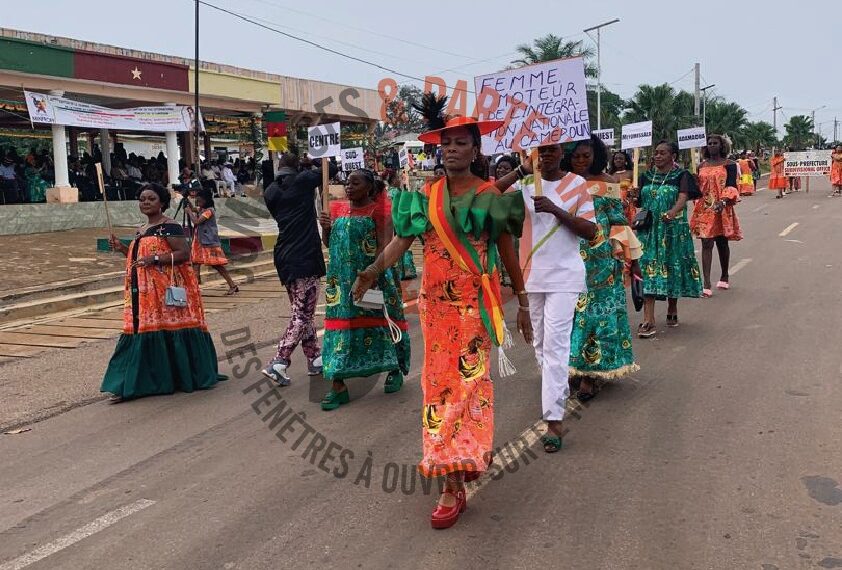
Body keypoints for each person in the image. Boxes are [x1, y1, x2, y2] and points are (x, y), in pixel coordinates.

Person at [352, 94, 530, 529]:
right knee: (438, 391)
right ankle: (451, 476)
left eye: (460, 142)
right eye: (445, 143)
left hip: (473, 309)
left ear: (475, 149)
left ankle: (457, 472)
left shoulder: (492, 196)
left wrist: (523, 303)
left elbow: (507, 250)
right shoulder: (424, 197)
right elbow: (401, 241)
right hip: (435, 311)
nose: (451, 149)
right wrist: (372, 271)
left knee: (469, 389)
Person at [494, 141, 597, 451]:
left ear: (561, 153)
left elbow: (591, 231)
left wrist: (555, 209)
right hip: (530, 276)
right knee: (539, 342)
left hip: (565, 276)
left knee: (555, 343)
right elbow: (486, 197)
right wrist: (520, 171)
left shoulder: (576, 184)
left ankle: (554, 420)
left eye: (550, 150)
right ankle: (557, 383)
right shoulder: (524, 184)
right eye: (538, 151)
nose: (545, 156)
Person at [102, 183, 223, 402]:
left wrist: (155, 258)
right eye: (142, 199)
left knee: (164, 330)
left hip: (163, 292)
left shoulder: (170, 226)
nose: (145, 202)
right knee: (140, 330)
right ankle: (133, 381)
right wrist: (121, 247)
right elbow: (138, 258)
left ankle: (163, 379)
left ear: (162, 203)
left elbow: (184, 253)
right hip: (143, 292)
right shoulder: (142, 229)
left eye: (151, 199)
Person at [317, 169, 410, 410]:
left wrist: (373, 275)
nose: (348, 187)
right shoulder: (337, 210)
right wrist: (325, 228)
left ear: (369, 187)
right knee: (340, 327)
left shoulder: (379, 212)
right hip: (340, 284)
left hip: (370, 278)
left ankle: (394, 369)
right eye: (347, 183)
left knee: (379, 323)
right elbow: (331, 245)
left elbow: (385, 245)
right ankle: (338, 385)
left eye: (355, 183)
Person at [565, 136, 642, 402]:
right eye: (575, 156)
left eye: (586, 156)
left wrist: (630, 259)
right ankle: (572, 366)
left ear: (596, 155)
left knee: (598, 317)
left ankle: (591, 375)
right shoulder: (561, 182)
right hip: (567, 259)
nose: (580, 161)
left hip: (602, 261)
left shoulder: (608, 183)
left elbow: (618, 222)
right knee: (570, 316)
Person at [261, 153, 334, 386]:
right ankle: (279, 361)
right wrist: (313, 161)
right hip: (305, 256)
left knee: (303, 311)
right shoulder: (302, 181)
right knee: (302, 314)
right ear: (298, 167)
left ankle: (314, 358)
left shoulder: (270, 190)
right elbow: (329, 169)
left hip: (284, 256)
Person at [630, 141, 702, 338]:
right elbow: (640, 203)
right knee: (647, 269)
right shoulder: (645, 176)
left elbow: (683, 196)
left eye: (662, 153)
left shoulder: (681, 175)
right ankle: (648, 319)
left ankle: (672, 306)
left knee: (671, 265)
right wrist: (634, 196)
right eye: (655, 153)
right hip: (648, 231)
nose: (657, 156)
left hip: (671, 229)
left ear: (673, 157)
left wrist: (672, 211)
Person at [691, 135, 742, 297]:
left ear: (722, 146)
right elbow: (699, 189)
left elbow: (732, 185)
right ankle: (706, 283)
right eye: (709, 143)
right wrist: (694, 182)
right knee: (706, 242)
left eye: (715, 143)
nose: (712, 145)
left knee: (721, 242)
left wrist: (724, 201)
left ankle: (724, 275)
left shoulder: (730, 165)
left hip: (722, 206)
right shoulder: (701, 166)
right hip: (705, 208)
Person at [184, 189, 239, 294]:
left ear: (205, 200)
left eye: (199, 201)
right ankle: (195, 289)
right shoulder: (202, 209)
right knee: (195, 264)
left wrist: (189, 212)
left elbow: (196, 221)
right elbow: (194, 209)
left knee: (217, 265)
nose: (198, 203)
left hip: (208, 242)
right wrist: (187, 201)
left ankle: (232, 285)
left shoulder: (209, 211)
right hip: (199, 241)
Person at [384, 169, 417, 280]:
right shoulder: (396, 193)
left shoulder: (388, 191)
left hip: (389, 222)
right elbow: (398, 209)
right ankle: (402, 272)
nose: (399, 180)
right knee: (401, 245)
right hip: (397, 221)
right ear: (393, 180)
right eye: (398, 178)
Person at [608, 150, 636, 223]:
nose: (618, 160)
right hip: (613, 206)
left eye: (621, 158)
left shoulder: (631, 173)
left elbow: (634, 190)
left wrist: (627, 201)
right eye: (616, 159)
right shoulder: (609, 175)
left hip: (628, 205)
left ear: (625, 160)